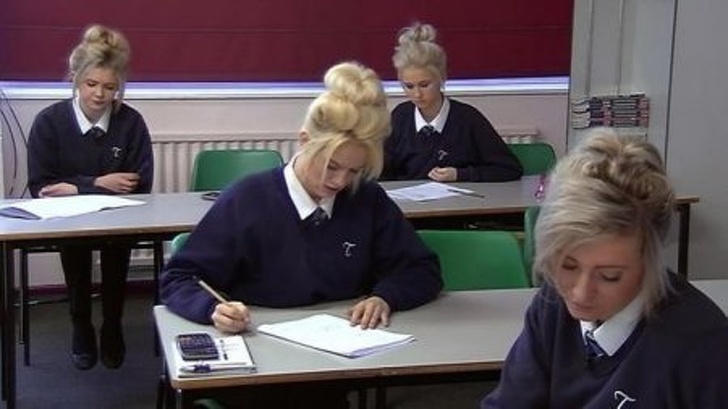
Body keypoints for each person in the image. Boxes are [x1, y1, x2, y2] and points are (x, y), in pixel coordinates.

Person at [161, 61, 442, 408]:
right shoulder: (248, 199)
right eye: (331, 166)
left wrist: (385, 296)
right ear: (305, 141)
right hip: (259, 371)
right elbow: (179, 278)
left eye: (354, 171)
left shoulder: (366, 198)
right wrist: (212, 309)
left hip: (333, 367)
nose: (340, 182)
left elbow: (421, 268)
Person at [481, 128, 728, 408]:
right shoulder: (552, 304)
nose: (580, 293)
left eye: (610, 276)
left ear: (649, 261)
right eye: (568, 266)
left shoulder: (702, 344)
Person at [27, 24, 153, 370]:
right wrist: (99, 183)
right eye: (91, 84)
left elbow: (139, 185)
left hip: (120, 220)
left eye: (110, 87)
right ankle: (81, 325)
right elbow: (41, 187)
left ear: (119, 87)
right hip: (68, 223)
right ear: (75, 79)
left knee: (116, 249)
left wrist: (74, 187)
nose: (99, 94)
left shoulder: (131, 123)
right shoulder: (49, 122)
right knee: (76, 249)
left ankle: (112, 326)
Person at [381, 22, 522, 182]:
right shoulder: (400, 116)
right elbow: (382, 173)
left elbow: (510, 168)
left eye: (424, 85)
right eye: (409, 86)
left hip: (459, 198)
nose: (417, 94)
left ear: (442, 78)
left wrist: (460, 174)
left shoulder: (468, 119)